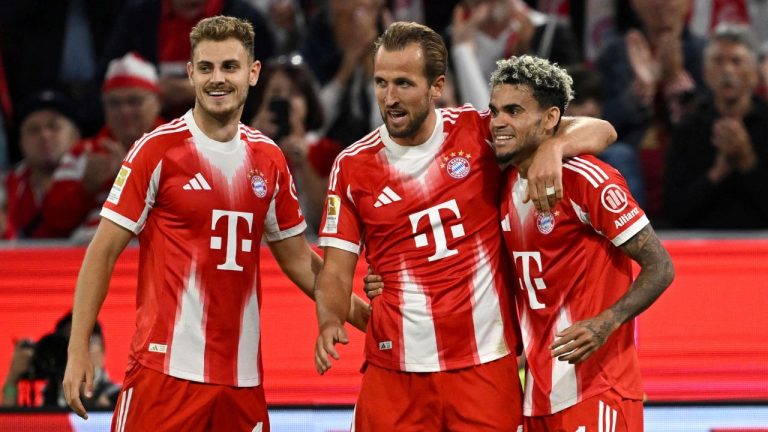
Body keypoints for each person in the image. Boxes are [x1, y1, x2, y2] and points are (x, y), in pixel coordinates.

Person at [62, 16, 368, 431]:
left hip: (241, 382)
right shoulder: (156, 151)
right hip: (163, 374)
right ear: (190, 73)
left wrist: (367, 319)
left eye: (229, 67)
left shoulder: (269, 159)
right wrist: (78, 348)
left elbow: (300, 261)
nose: (217, 79)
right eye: (206, 67)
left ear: (253, 73)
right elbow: (102, 252)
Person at [313, 22, 616, 430]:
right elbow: (335, 270)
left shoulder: (478, 132)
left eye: (404, 83)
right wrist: (329, 320)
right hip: (394, 370)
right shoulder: (352, 166)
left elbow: (602, 130)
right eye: (381, 82)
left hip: (484, 366)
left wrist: (555, 146)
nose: (390, 97)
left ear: (437, 86)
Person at [490, 55, 674, 430]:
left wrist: (607, 322)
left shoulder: (588, 179)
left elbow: (661, 267)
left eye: (513, 111)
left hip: (598, 387)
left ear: (550, 118)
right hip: (537, 394)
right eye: (494, 111)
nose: (497, 122)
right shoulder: (503, 183)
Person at [36, 52, 166, 241]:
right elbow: (53, 221)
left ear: (158, 102)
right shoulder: (84, 153)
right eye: (114, 103)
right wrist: (86, 187)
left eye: (134, 101)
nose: (124, 111)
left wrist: (134, 180)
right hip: (88, 249)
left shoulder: (182, 148)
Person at [596, 0, 707, 220]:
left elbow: (708, 121)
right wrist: (639, 94)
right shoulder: (614, 53)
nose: (659, 3)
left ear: (688, 4)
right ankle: (632, 233)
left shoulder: (706, 52)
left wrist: (676, 83)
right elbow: (601, 120)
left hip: (686, 153)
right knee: (617, 155)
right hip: (631, 153)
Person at [665, 24, 768, 229]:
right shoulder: (688, 128)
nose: (727, 70)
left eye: (736, 61)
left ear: (755, 73)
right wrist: (717, 173)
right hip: (701, 240)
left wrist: (747, 161)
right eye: (718, 61)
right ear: (706, 73)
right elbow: (674, 211)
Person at [4, 91, 81, 239]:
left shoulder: (97, 180)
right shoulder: (5, 188)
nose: (44, 135)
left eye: (53, 127)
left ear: (74, 136)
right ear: (21, 142)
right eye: (33, 130)